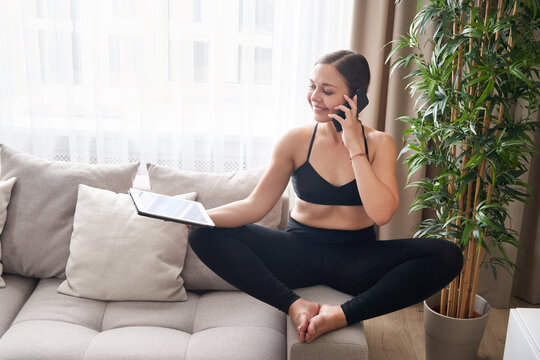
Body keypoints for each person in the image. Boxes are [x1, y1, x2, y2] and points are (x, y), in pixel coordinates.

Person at [188, 50, 463, 344]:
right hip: (296, 252)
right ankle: (295, 305)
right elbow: (255, 206)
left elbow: (381, 214)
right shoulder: (295, 140)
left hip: (357, 260)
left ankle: (341, 315)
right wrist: (197, 217)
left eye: (327, 90)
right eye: (312, 86)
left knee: (447, 255)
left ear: (356, 97)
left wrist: (354, 145)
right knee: (202, 237)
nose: (314, 97)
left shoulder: (379, 143)